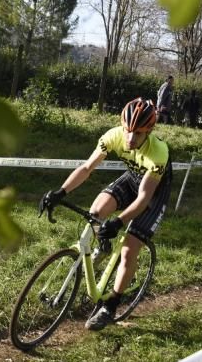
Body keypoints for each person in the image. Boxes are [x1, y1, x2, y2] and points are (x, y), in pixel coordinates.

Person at [38, 97, 172, 331]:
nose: (130, 139)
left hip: (153, 191)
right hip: (131, 179)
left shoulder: (158, 152)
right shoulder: (114, 136)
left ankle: (110, 305)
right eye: (128, 131)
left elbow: (143, 198)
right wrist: (60, 192)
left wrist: (119, 222)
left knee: (130, 249)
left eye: (138, 134)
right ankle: (105, 247)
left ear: (149, 131)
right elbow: (87, 168)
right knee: (96, 212)